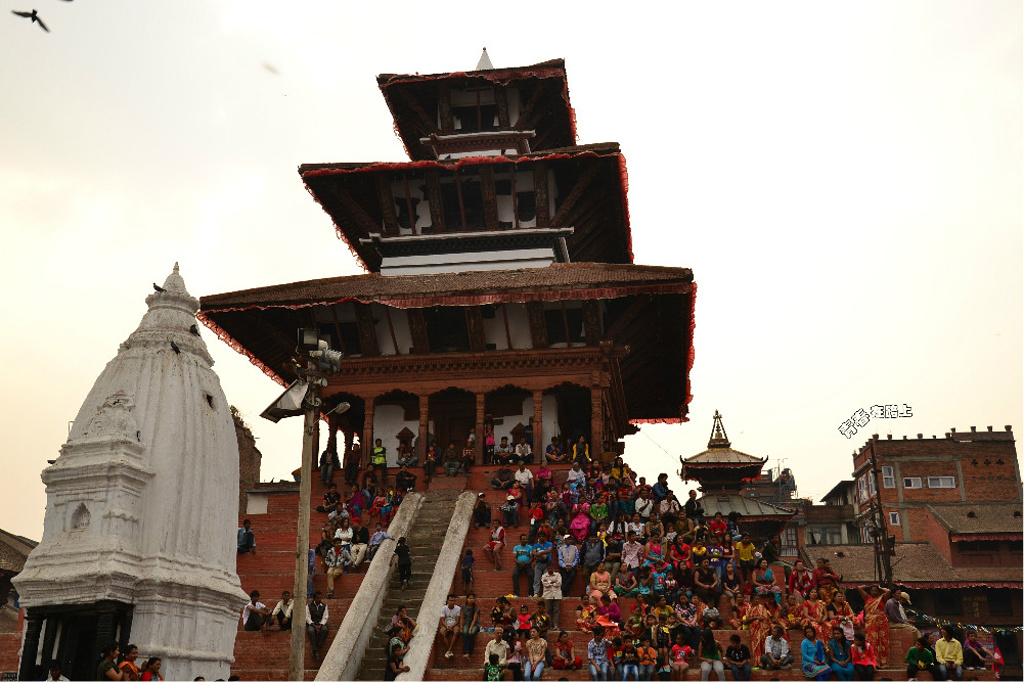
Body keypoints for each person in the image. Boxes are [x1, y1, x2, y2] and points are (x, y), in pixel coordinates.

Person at [856, 584, 891, 667]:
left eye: (876, 591)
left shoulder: (882, 598)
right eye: (872, 590)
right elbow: (859, 588)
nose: (874, 592)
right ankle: (872, 662)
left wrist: (880, 587)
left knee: (883, 641)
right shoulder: (867, 598)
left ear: (878, 592)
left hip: (882, 621)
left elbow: (888, 591)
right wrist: (868, 586)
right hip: (871, 621)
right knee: (872, 641)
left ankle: (883, 663)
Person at [306, 590, 329, 663]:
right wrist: (314, 625)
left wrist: (320, 625)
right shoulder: (309, 606)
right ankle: (315, 650)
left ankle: (317, 646)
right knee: (311, 631)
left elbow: (325, 617)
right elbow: (307, 617)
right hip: (312, 624)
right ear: (314, 598)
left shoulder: (324, 606)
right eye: (318, 598)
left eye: (320, 598)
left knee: (325, 629)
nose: (320, 599)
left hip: (320, 623)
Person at [439, 594, 462, 659]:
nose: (452, 602)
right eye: (450, 600)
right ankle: (450, 650)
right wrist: (446, 626)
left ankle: (449, 650)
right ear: (447, 601)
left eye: (453, 601)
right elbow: (442, 620)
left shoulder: (458, 608)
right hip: (445, 624)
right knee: (442, 632)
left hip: (454, 624)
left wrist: (451, 627)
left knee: (456, 632)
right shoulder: (444, 608)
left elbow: (457, 621)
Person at [462, 593, 481, 659]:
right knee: (464, 632)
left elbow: (475, 619)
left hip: (475, 625)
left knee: (472, 633)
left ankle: (470, 652)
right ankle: (465, 651)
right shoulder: (463, 607)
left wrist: (470, 629)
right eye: (470, 598)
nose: (471, 600)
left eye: (473, 598)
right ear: (467, 599)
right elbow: (462, 618)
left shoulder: (476, 608)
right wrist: (461, 627)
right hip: (466, 624)